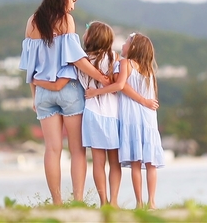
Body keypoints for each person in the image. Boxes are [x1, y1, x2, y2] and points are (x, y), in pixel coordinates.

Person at [34, 21, 159, 208]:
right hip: (114, 113)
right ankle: (115, 202)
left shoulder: (80, 60)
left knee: (98, 162)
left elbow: (63, 80)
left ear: (91, 38)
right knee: (114, 163)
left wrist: (37, 82)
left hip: (92, 113)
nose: (83, 35)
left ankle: (103, 202)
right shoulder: (115, 57)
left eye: (86, 32)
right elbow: (118, 84)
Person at [19, 0, 110, 205]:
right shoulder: (66, 20)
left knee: (52, 149)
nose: (73, 6)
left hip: (43, 93)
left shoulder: (32, 22)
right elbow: (76, 58)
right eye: (73, 0)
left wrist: (34, 97)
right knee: (77, 150)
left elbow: (31, 66)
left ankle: (57, 203)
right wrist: (100, 76)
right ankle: (78, 200)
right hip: (68, 90)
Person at [86, 32, 165, 209]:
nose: (123, 45)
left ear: (134, 47)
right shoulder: (149, 70)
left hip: (132, 117)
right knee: (150, 162)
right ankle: (151, 202)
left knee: (136, 163)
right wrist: (145, 101)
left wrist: (95, 92)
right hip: (149, 118)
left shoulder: (125, 63)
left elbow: (122, 86)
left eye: (127, 42)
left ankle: (139, 203)